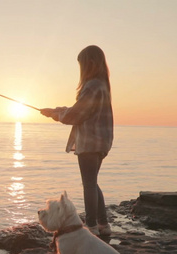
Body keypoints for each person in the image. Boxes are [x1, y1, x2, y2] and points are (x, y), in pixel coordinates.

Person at [40, 45, 114, 236]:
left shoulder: (91, 87)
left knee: (88, 184)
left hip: (89, 143)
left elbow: (75, 115)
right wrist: (54, 111)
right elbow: (79, 109)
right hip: (102, 142)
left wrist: (55, 115)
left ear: (89, 64)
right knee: (93, 182)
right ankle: (103, 224)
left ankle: (91, 227)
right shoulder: (102, 85)